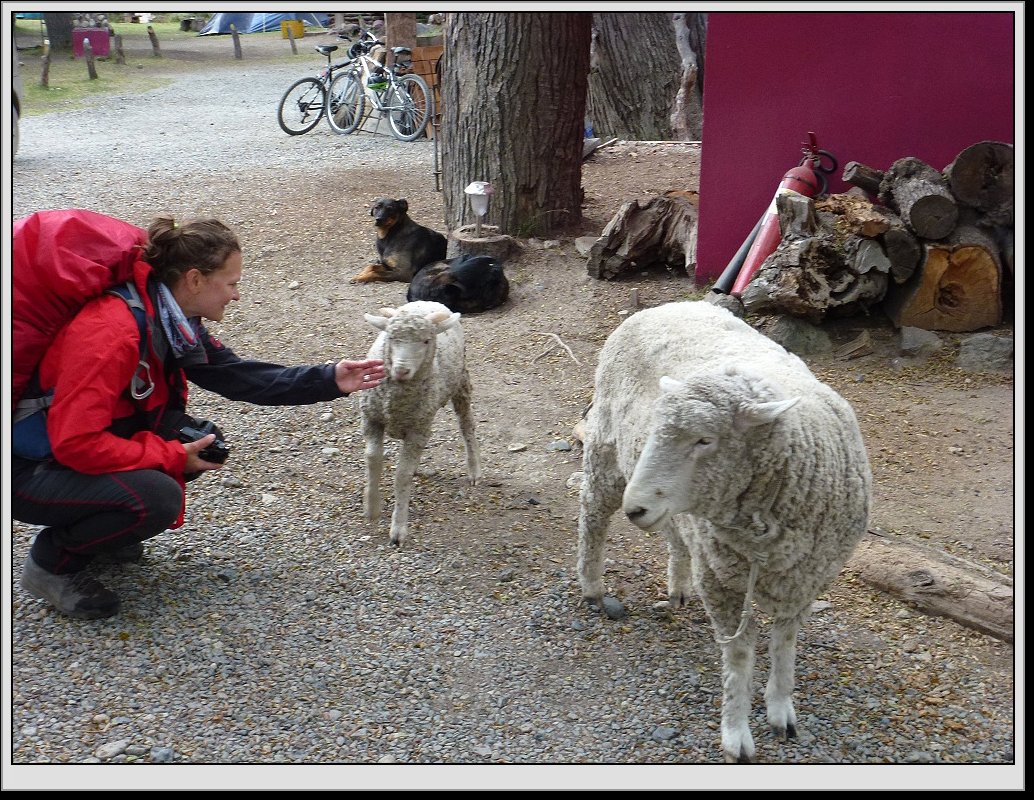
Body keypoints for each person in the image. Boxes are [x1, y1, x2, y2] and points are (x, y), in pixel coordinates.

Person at [12, 215, 386, 620]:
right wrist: (170, 457)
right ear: (194, 279)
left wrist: (330, 378)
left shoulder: (171, 320)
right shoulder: (113, 332)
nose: (236, 295)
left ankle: (99, 535)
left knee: (199, 439)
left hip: (62, 452)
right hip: (28, 472)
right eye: (231, 283)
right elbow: (76, 443)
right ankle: (52, 563)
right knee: (158, 495)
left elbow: (240, 377)